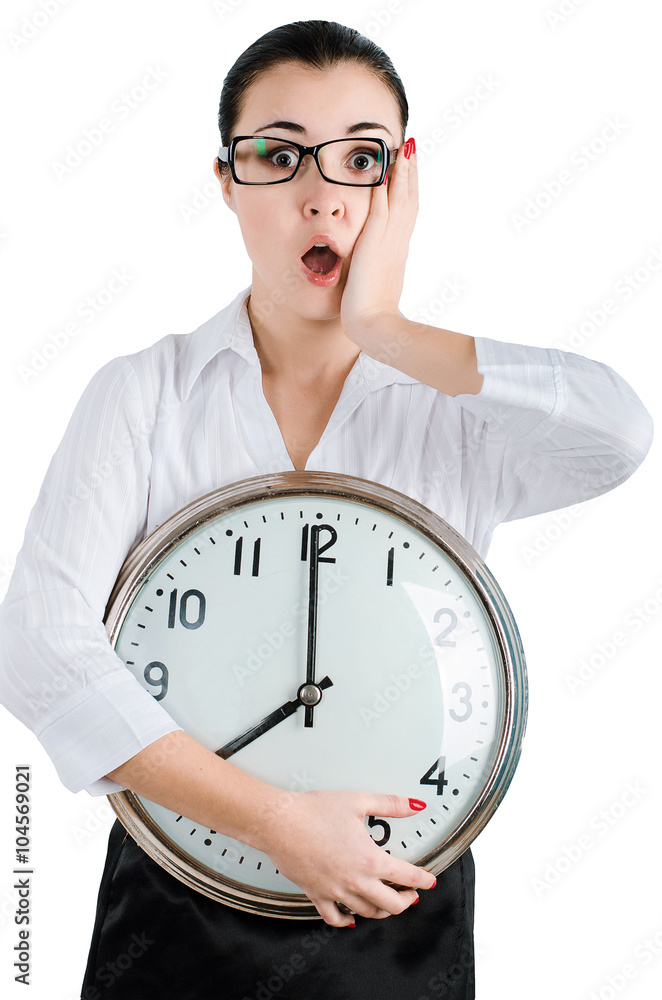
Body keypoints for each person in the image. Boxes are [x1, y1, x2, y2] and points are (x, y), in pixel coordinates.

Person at [0, 19, 653, 1000]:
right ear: (226, 180)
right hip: (174, 902)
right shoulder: (145, 393)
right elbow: (37, 645)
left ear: (398, 187)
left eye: (359, 159)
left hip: (393, 899)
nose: (321, 192)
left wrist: (386, 330)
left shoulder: (452, 411)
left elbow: (616, 432)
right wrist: (271, 818)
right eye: (278, 154)